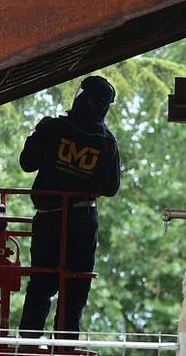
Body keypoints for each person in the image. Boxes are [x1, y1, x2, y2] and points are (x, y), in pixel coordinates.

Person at [18, 75, 121, 340]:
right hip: (83, 220)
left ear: (79, 97)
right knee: (75, 284)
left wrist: (38, 134)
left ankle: (28, 342)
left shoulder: (54, 128)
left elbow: (27, 162)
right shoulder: (106, 142)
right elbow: (111, 188)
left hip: (49, 219)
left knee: (42, 282)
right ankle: (65, 344)